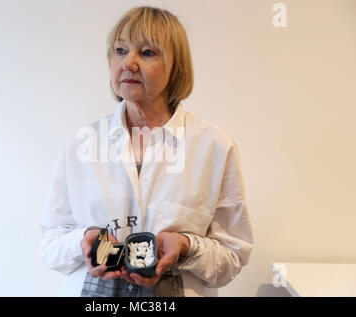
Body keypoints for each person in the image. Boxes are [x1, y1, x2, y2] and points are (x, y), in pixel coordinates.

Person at [40, 6, 254, 297]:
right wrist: (84, 241)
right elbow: (50, 243)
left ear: (176, 66)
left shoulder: (213, 146)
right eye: (120, 50)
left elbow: (233, 256)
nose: (128, 63)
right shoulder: (82, 143)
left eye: (148, 52)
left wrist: (187, 246)